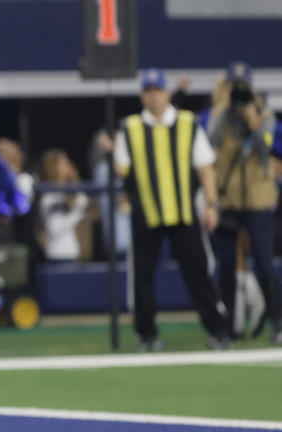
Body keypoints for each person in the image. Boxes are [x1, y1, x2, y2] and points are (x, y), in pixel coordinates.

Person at [115, 68, 230, 351]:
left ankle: (218, 330)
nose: (154, 97)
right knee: (142, 277)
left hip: (183, 211)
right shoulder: (130, 128)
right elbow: (122, 170)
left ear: (167, 93)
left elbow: (205, 169)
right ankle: (147, 334)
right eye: (149, 92)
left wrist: (212, 204)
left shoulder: (188, 124)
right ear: (143, 95)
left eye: (158, 91)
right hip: (146, 213)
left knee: (198, 273)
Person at [206, 62, 282, 345]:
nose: (237, 93)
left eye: (242, 87)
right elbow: (208, 142)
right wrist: (224, 111)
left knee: (263, 261)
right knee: (226, 266)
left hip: (258, 200)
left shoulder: (267, 116)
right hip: (228, 199)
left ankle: (277, 322)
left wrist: (254, 119)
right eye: (232, 86)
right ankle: (228, 327)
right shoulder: (217, 116)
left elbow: (268, 149)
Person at [38, 148, 93, 262]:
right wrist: (78, 213)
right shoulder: (49, 197)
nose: (68, 165)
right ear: (54, 167)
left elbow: (83, 201)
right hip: (58, 255)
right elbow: (55, 228)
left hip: (75, 254)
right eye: (63, 162)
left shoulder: (70, 193)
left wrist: (74, 180)